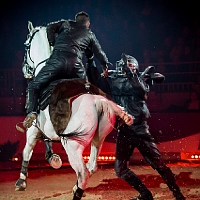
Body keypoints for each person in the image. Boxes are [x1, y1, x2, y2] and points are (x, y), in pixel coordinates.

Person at [100, 54, 185, 200]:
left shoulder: (141, 79)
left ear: (135, 67)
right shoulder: (114, 80)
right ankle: (145, 194)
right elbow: (98, 83)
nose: (125, 68)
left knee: (158, 164)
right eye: (124, 66)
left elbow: (141, 90)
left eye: (129, 65)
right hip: (124, 129)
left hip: (140, 129)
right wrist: (101, 73)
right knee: (120, 170)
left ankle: (178, 195)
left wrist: (134, 74)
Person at [23, 11, 109, 128]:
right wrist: (105, 66)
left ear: (76, 20)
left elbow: (50, 27)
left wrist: (53, 43)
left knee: (33, 85)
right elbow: (99, 53)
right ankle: (96, 117)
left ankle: (32, 113)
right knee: (87, 89)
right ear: (88, 24)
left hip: (57, 62)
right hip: (76, 67)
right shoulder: (89, 33)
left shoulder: (66, 24)